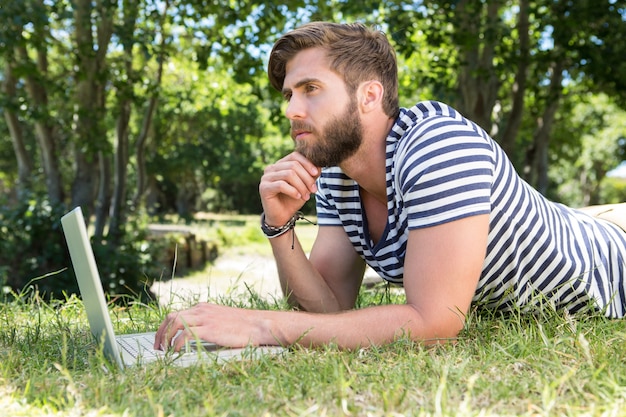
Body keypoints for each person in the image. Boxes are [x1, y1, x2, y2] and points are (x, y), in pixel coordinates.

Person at [154, 22, 626, 352]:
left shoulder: (438, 144)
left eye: (311, 89)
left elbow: (434, 322)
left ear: (370, 95)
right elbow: (328, 310)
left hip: (614, 274)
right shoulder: (339, 174)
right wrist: (279, 226)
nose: (291, 110)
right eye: (289, 95)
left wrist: (256, 324)